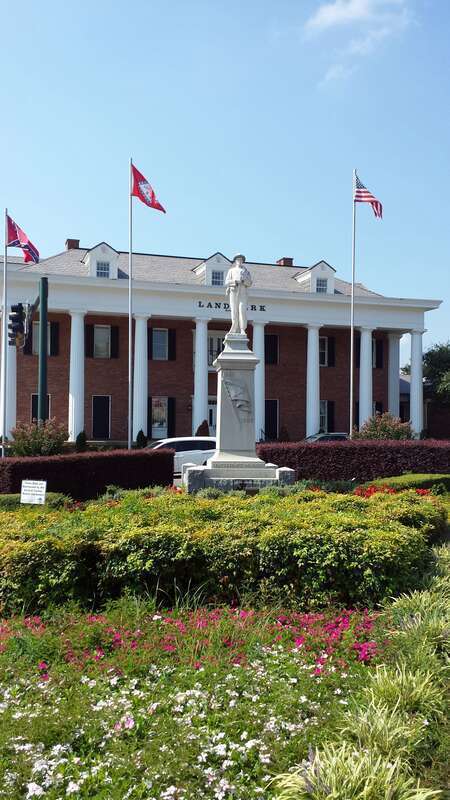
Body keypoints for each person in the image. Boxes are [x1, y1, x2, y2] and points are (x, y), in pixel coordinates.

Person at [225, 254, 252, 335]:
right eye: (238, 259)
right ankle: (234, 327)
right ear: (235, 261)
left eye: (241, 260)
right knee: (234, 311)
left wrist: (244, 281)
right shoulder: (231, 270)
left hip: (243, 292)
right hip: (234, 291)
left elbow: (250, 283)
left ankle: (242, 329)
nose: (240, 261)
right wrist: (235, 281)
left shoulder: (246, 271)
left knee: (242, 311)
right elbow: (227, 282)